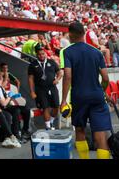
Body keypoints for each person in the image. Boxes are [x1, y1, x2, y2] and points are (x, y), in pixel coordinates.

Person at [60, 22, 112, 159]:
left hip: (79, 97)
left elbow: (68, 76)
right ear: (84, 33)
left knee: (80, 129)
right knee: (100, 133)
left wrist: (64, 100)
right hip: (97, 96)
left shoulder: (67, 52)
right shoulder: (96, 52)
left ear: (70, 35)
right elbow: (105, 77)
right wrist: (103, 91)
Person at [28, 46, 62, 130]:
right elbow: (31, 79)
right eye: (39, 54)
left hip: (52, 88)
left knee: (56, 106)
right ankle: (48, 126)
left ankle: (51, 121)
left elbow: (60, 73)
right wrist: (32, 92)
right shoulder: (33, 65)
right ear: (36, 55)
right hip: (40, 89)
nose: (41, 56)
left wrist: (57, 79)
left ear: (45, 53)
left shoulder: (52, 62)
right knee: (45, 107)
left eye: (43, 54)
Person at [0, 72, 31, 142]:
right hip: (0, 108)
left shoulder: (0, 87)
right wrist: (10, 96)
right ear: (1, 78)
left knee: (26, 109)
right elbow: (3, 103)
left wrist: (13, 97)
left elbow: (7, 100)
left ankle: (25, 130)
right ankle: (16, 134)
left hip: (6, 106)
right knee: (16, 111)